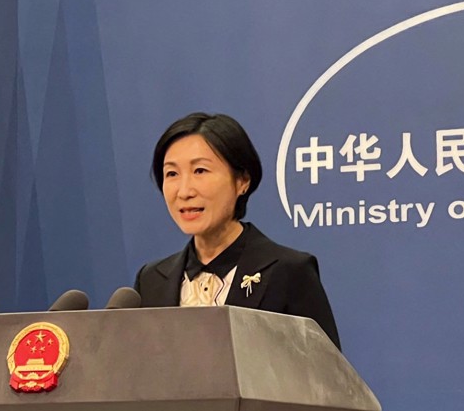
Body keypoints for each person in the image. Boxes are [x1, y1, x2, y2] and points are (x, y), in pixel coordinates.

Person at [134, 112, 341, 349]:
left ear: (242, 181)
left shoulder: (289, 271)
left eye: (200, 171)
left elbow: (326, 378)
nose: (184, 191)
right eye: (171, 174)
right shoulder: (151, 279)